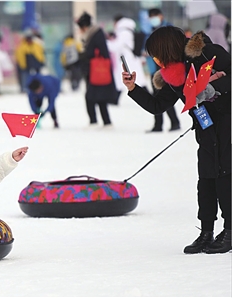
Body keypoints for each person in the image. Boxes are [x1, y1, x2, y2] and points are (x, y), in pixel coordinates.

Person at [122, 26, 231, 254]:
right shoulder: (174, 72)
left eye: (156, 54)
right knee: (207, 179)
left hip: (227, 125)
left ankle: (230, 230)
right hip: (205, 130)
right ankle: (206, 231)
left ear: (166, 48)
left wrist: (213, 88)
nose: (157, 60)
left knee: (225, 177)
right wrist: (133, 88)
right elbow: (157, 106)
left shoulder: (208, 53)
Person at [76, 12, 118, 129]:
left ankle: (95, 121)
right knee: (99, 96)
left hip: (96, 70)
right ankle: (105, 121)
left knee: (91, 96)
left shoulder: (95, 34)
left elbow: (99, 52)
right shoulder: (94, 33)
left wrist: (84, 56)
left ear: (85, 26)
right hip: (96, 70)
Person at [145, 8, 181, 133]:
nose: (153, 19)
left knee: (166, 95)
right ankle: (158, 124)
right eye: (151, 16)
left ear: (161, 16)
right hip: (153, 68)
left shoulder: (168, 30)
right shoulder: (149, 30)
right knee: (156, 96)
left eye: (155, 16)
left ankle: (174, 122)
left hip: (167, 68)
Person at [106, 15, 149, 98]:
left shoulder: (124, 32)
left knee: (137, 80)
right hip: (130, 59)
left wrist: (105, 43)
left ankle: (114, 99)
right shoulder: (127, 30)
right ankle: (114, 99)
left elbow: (116, 46)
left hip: (129, 60)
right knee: (133, 80)